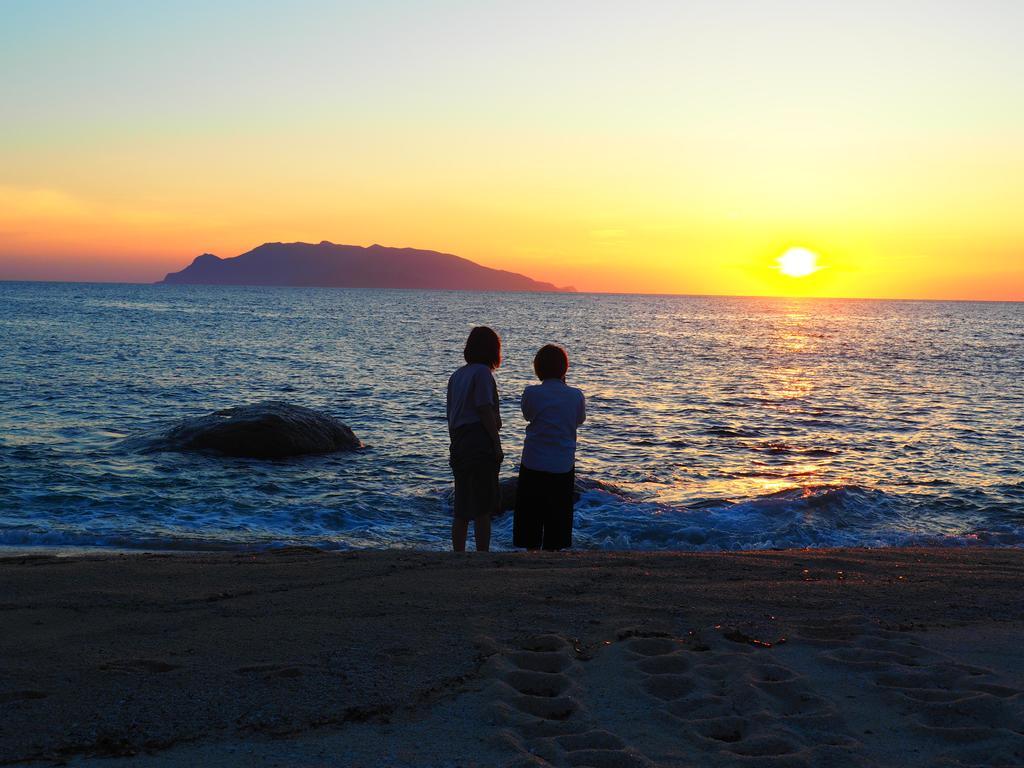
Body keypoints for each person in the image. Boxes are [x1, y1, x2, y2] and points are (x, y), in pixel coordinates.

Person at [513, 344, 585, 551]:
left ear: (538, 368)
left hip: (533, 461)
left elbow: (527, 415)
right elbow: (579, 420)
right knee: (558, 515)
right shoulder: (576, 395)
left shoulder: (531, 393)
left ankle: (531, 551)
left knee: (531, 515)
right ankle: (552, 552)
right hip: (562, 463)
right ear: (564, 369)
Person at [446, 326, 503, 552]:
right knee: (482, 506)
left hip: (458, 440)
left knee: (462, 506)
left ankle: (458, 553)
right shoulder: (482, 373)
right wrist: (496, 443)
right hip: (478, 440)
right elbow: (484, 409)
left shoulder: (457, 375)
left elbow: (451, 414)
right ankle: (482, 554)